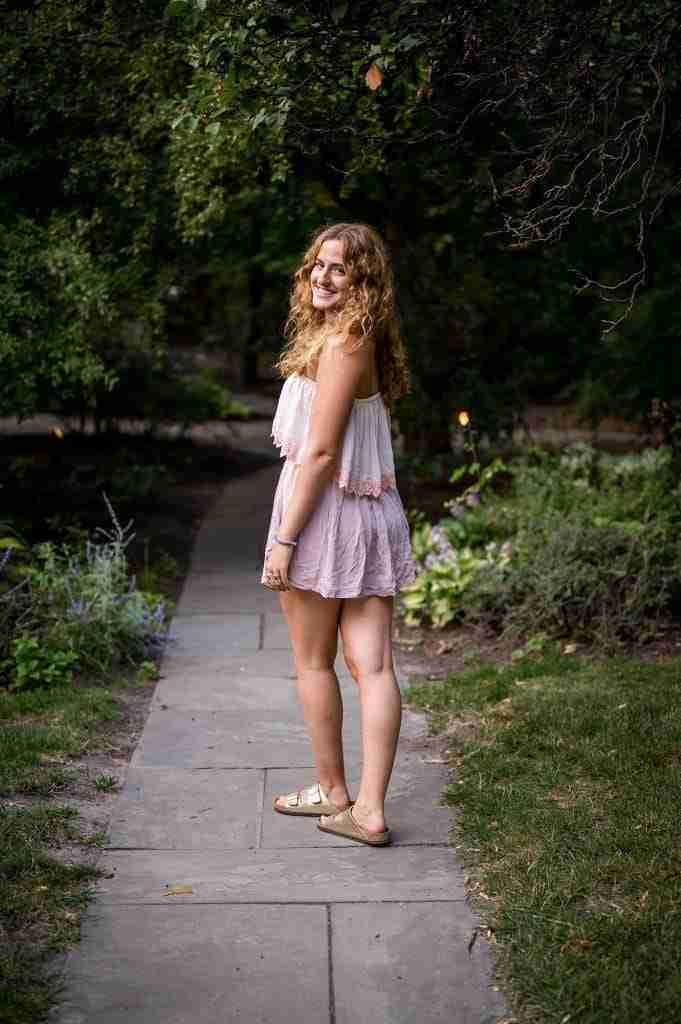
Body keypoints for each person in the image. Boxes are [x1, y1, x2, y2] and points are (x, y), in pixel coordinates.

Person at [260, 222, 417, 847]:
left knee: (314, 662)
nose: (323, 277)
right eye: (318, 265)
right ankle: (363, 809)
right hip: (368, 514)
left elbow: (321, 453)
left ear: (364, 280)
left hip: (325, 518)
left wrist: (285, 539)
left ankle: (341, 796)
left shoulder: (343, 344)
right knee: (372, 665)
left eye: (339, 269)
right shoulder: (358, 338)